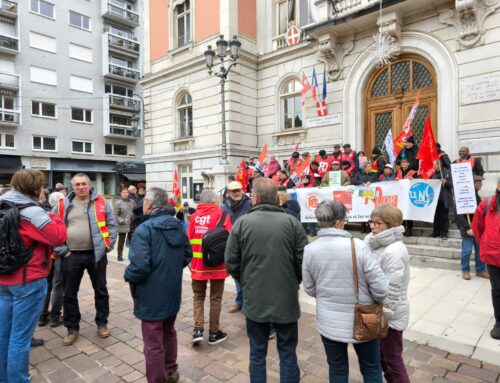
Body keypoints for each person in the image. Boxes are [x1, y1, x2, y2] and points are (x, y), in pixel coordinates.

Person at [225, 177, 308, 383]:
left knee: (257, 352)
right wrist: (292, 280)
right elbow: (303, 263)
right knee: (287, 352)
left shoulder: (242, 223)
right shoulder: (292, 223)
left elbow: (231, 262)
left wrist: (245, 280)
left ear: (256, 198)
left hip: (255, 297)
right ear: (276, 199)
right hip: (285, 297)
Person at [302, 200, 388, 383]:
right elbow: (381, 289)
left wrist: (328, 296)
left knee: (337, 368)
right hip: (364, 317)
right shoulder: (359, 246)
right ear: (339, 221)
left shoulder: (310, 250)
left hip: (328, 321)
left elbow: (309, 288)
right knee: (371, 368)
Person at [0, 169, 67, 383]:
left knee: (4, 334)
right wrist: (53, 215)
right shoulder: (32, 212)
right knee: (20, 336)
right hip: (28, 280)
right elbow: (58, 236)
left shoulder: (2, 203)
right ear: (35, 189)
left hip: (3, 278)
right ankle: (18, 379)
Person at [124, 187, 192, 383]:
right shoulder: (177, 225)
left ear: (148, 204)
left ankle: (158, 379)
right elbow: (187, 255)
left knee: (153, 341)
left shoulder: (144, 229)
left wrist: (127, 274)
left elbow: (139, 267)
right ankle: (171, 370)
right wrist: (169, 269)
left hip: (151, 293)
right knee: (169, 331)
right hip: (171, 290)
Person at [53, 173, 118, 346]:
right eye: (77, 184)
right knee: (69, 294)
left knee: (101, 291)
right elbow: (51, 228)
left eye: (84, 184)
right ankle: (72, 328)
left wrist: (107, 246)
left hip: (96, 255)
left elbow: (112, 225)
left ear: (89, 185)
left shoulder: (102, 202)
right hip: (70, 255)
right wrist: (61, 250)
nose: (81, 187)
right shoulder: (62, 204)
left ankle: (102, 324)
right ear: (72, 186)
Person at [364, 205, 411, 383]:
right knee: (382, 358)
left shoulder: (395, 251)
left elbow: (392, 290)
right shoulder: (373, 242)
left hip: (389, 313)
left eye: (378, 223)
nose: (373, 226)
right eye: (371, 222)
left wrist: (384, 316)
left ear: (392, 225)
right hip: (378, 310)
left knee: (393, 360)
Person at [188, 190, 232, 345]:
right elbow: (230, 241)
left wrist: (189, 262)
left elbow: (188, 240)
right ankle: (214, 333)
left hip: (198, 266)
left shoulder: (193, 217)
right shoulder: (223, 215)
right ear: (214, 202)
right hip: (218, 265)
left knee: (198, 297)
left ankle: (198, 330)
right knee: (216, 299)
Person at [472, 178, 500, 339]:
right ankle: (499, 321)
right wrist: (488, 243)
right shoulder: (487, 204)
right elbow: (477, 227)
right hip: (493, 256)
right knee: (497, 290)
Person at [222, 181, 252, 314]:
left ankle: (249, 303)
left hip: (250, 244)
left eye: (238, 190)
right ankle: (240, 301)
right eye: (233, 191)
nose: (236, 193)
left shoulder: (250, 203)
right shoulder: (224, 207)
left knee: (250, 275)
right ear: (228, 193)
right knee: (237, 274)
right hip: (233, 245)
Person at [39, 191, 66, 328]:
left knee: (47, 285)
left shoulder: (40, 213)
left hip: (46, 254)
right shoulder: (60, 215)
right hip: (59, 254)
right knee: (58, 285)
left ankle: (42, 316)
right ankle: (55, 316)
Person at [457, 176, 488, 280]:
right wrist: (467, 227)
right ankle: (465, 271)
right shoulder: (462, 195)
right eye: (480, 182)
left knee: (480, 250)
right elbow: (458, 215)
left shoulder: (477, 196)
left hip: (477, 229)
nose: (481, 184)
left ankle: (481, 270)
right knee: (467, 251)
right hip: (468, 229)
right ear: (474, 183)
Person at [430, 161, 453, 240]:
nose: (433, 166)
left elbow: (453, 184)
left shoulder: (447, 173)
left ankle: (444, 233)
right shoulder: (433, 174)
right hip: (435, 199)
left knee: (444, 216)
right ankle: (436, 232)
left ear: (439, 165)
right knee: (436, 216)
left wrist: (446, 182)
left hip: (444, 198)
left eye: (434, 165)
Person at [114, 188, 135, 262]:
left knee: (132, 240)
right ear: (121, 193)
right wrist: (121, 221)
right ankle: (119, 255)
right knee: (121, 240)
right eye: (124, 192)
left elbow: (134, 211)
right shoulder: (118, 203)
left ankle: (132, 255)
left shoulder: (132, 201)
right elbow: (115, 215)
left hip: (132, 224)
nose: (125, 193)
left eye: (126, 192)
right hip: (122, 224)